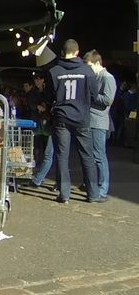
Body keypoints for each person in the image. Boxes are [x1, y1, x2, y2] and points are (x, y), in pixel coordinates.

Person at [44, 39, 101, 203]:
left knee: (62, 156)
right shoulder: (87, 70)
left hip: (61, 118)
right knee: (87, 156)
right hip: (82, 118)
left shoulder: (54, 71)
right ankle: (92, 194)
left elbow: (49, 97)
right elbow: (94, 96)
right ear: (77, 52)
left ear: (62, 52)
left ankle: (64, 194)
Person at [86, 50, 116, 198]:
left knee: (99, 155)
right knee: (91, 154)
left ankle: (103, 188)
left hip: (99, 121)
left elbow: (108, 100)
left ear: (97, 63)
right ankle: (92, 183)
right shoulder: (96, 77)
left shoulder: (107, 78)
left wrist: (92, 96)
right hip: (91, 120)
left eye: (90, 65)